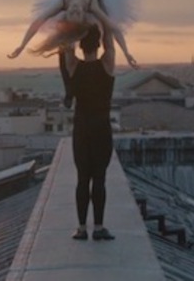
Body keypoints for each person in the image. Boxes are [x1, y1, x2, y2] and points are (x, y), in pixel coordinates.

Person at [8, 0, 149, 107]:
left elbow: (38, 21)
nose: (74, 10)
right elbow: (114, 29)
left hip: (97, 2)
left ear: (67, 12)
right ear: (83, 14)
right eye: (76, 13)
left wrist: (22, 45)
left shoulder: (64, 4)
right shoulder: (93, 6)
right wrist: (126, 52)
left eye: (72, 13)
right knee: (65, 46)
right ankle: (69, 90)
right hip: (96, 0)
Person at [63, 24, 116, 240]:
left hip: (81, 128)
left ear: (81, 45)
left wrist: (77, 21)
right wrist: (102, 16)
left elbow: (67, 44)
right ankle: (100, 227)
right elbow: (110, 41)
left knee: (82, 178)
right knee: (100, 178)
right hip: (102, 127)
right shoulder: (107, 65)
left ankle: (82, 228)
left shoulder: (74, 66)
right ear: (99, 43)